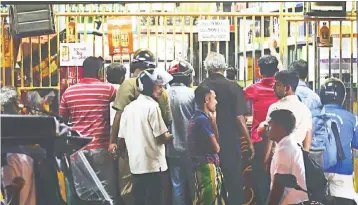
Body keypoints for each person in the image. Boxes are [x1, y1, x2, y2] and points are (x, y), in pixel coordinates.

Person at [109, 49, 173, 204]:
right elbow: (166, 123)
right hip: (154, 159)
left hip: (134, 156)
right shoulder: (158, 97)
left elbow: (119, 118)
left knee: (132, 192)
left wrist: (114, 144)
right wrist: (170, 137)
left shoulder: (128, 91)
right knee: (156, 195)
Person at [59, 56, 118, 204]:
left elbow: (62, 120)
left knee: (82, 193)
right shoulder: (108, 89)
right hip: (100, 147)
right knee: (105, 192)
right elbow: (121, 107)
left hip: (77, 151)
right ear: (99, 71)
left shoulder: (69, 92)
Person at [200, 53, 254, 205]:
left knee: (211, 183)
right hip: (229, 143)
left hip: (206, 143)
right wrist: (249, 142)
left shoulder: (201, 87)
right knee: (234, 182)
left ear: (207, 68)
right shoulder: (234, 87)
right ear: (223, 67)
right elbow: (239, 118)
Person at [244, 55, 279, 204]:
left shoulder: (253, 89)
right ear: (276, 70)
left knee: (259, 176)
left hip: (259, 138)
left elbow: (240, 107)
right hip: (279, 140)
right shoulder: (281, 88)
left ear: (259, 71)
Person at [261, 70, 312, 171]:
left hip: (279, 156)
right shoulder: (305, 109)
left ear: (287, 88)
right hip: (298, 157)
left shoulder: (275, 108)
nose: (273, 87)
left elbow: (270, 137)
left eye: (277, 84)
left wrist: (266, 159)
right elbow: (308, 137)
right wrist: (305, 158)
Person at [318, 78, 358, 205]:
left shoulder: (312, 115)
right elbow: (356, 146)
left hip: (317, 167)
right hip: (343, 168)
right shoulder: (352, 118)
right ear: (343, 97)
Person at [187, 85, 226, 205]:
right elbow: (217, 147)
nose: (216, 102)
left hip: (199, 165)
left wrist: (213, 122)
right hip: (207, 166)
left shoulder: (196, 117)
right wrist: (213, 123)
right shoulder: (202, 120)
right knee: (209, 199)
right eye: (214, 98)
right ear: (207, 99)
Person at [166, 59, 196, 205]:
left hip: (170, 148)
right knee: (194, 185)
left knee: (176, 184)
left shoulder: (162, 94)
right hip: (191, 148)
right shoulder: (192, 94)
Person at [1, 86, 37, 205]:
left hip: (7, 162)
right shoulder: (24, 121)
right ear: (16, 103)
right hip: (25, 161)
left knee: (12, 198)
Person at [265, 109, 308, 205]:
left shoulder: (285, 150)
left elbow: (278, 186)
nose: (267, 128)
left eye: (271, 124)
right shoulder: (287, 143)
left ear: (280, 127)